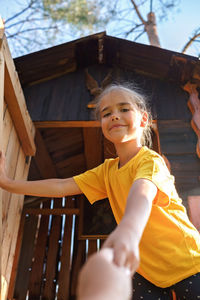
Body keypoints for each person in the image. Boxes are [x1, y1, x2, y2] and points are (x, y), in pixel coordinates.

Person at [1, 83, 200, 299]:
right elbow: (61, 186)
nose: (115, 116)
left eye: (124, 109)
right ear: (102, 125)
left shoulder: (150, 160)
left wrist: (128, 232)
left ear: (143, 119)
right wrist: (8, 183)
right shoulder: (106, 172)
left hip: (187, 261)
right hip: (146, 271)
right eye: (107, 113)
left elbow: (142, 192)